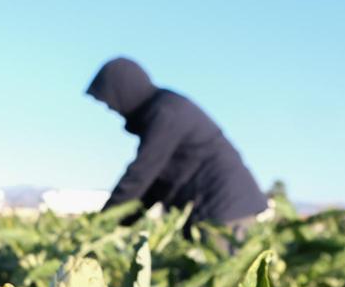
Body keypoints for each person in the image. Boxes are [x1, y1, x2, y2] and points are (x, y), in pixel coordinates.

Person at [87, 57, 266, 234]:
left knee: (222, 260)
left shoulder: (166, 112)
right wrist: (117, 225)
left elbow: (140, 175)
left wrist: (101, 226)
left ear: (123, 91)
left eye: (110, 101)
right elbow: (153, 188)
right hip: (214, 209)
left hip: (226, 210)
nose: (111, 108)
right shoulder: (162, 111)